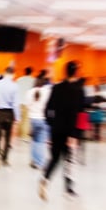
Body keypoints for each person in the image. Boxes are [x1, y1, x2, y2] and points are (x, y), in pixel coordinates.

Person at [39, 61, 85, 201]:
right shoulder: (78, 90)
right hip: (70, 132)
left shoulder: (56, 88)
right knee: (69, 161)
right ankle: (68, 189)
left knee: (54, 158)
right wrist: (75, 134)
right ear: (76, 72)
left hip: (56, 130)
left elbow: (48, 109)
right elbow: (79, 113)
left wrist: (52, 124)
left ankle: (45, 180)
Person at [0, 67, 20, 168]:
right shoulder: (15, 86)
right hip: (9, 113)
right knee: (7, 137)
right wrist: (17, 117)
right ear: (13, 74)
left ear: (4, 73)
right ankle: (5, 159)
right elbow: (15, 103)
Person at [27, 77, 51, 170]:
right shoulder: (47, 92)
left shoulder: (30, 92)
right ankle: (40, 163)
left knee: (34, 141)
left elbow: (28, 105)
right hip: (43, 119)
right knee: (40, 142)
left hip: (33, 119)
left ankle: (34, 161)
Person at [16, 67, 35, 140]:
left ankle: (19, 133)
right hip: (28, 103)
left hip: (19, 102)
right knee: (26, 120)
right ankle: (24, 135)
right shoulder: (33, 80)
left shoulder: (19, 80)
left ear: (24, 72)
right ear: (31, 72)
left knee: (20, 118)